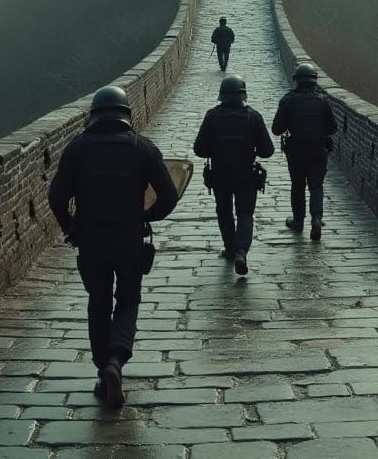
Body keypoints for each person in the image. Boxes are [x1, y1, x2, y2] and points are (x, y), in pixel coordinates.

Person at [48, 86, 179, 408]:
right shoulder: (142, 148)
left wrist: (71, 228)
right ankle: (115, 364)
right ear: (125, 115)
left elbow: (56, 198)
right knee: (128, 301)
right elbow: (169, 196)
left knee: (98, 301)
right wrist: (147, 217)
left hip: (91, 240)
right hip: (128, 238)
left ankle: (101, 372)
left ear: (94, 115)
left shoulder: (78, 148)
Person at [194, 75, 274, 275]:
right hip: (246, 174)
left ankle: (230, 249)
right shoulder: (252, 116)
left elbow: (199, 150)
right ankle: (241, 252)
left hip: (220, 175)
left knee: (224, 211)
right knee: (245, 213)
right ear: (243, 95)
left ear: (221, 95)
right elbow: (268, 150)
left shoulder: (212, 116)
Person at [271, 63, 337, 241]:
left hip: (296, 151)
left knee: (298, 186)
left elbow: (276, 129)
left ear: (296, 81)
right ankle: (316, 219)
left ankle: (298, 222)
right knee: (316, 186)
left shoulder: (288, 101)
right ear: (314, 81)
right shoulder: (323, 101)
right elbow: (332, 128)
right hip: (318, 150)